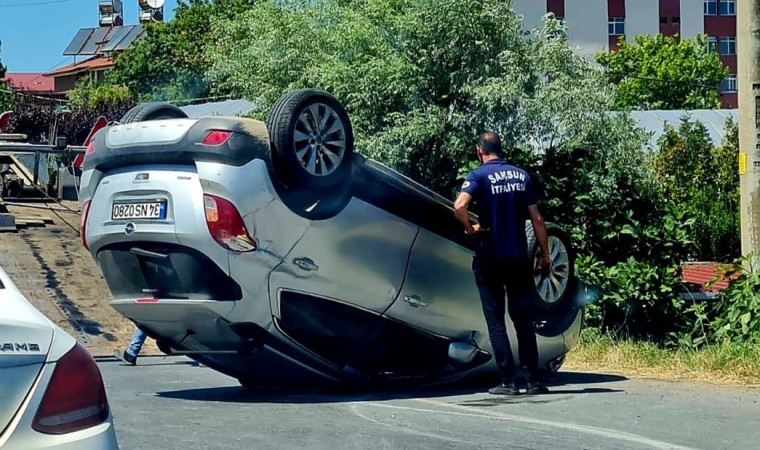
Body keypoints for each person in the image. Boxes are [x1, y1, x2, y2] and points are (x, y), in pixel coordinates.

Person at [454, 132, 552, 395]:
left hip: (489, 258)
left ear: (479, 151)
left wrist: (470, 229)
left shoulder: (477, 176)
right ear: (500, 149)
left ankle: (508, 381)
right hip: (518, 257)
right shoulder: (522, 176)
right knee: (523, 319)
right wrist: (544, 255)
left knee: (496, 321)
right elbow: (537, 221)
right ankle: (532, 381)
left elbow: (459, 205)